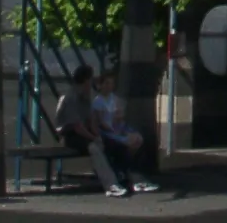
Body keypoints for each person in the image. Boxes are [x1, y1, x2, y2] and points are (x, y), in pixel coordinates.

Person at [52, 64, 130, 196]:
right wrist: (94, 138)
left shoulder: (85, 97)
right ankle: (110, 185)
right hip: (70, 136)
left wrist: (99, 135)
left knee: (111, 142)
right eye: (90, 80)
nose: (91, 83)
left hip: (83, 133)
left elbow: (89, 121)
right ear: (85, 80)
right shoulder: (71, 97)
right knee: (94, 147)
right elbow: (77, 126)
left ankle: (122, 177)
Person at [94, 68, 157, 193]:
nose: (109, 86)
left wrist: (120, 124)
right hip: (108, 132)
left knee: (138, 139)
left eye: (111, 83)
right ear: (100, 85)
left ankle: (133, 173)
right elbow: (101, 122)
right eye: (106, 83)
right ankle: (130, 174)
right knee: (127, 143)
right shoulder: (98, 102)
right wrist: (115, 129)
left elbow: (120, 116)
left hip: (119, 128)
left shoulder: (114, 99)